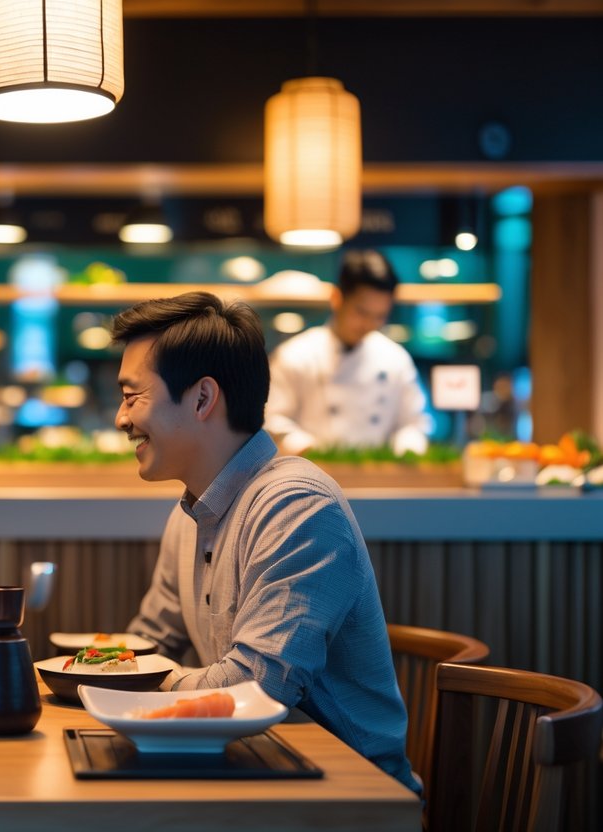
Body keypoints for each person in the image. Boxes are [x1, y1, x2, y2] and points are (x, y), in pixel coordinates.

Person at [114, 292, 421, 794]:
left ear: (201, 398)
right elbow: (150, 642)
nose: (121, 419)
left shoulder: (297, 507)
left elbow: (254, 688)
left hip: (346, 798)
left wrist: (142, 683)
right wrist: (92, 670)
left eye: (133, 397)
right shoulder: (190, 512)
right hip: (250, 771)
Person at [265, 249, 430, 456]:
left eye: (380, 316)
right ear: (337, 298)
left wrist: (407, 448)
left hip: (379, 481)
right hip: (310, 478)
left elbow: (415, 422)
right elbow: (272, 420)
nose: (369, 324)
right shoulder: (295, 355)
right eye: (362, 312)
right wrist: (304, 447)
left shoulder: (396, 360)